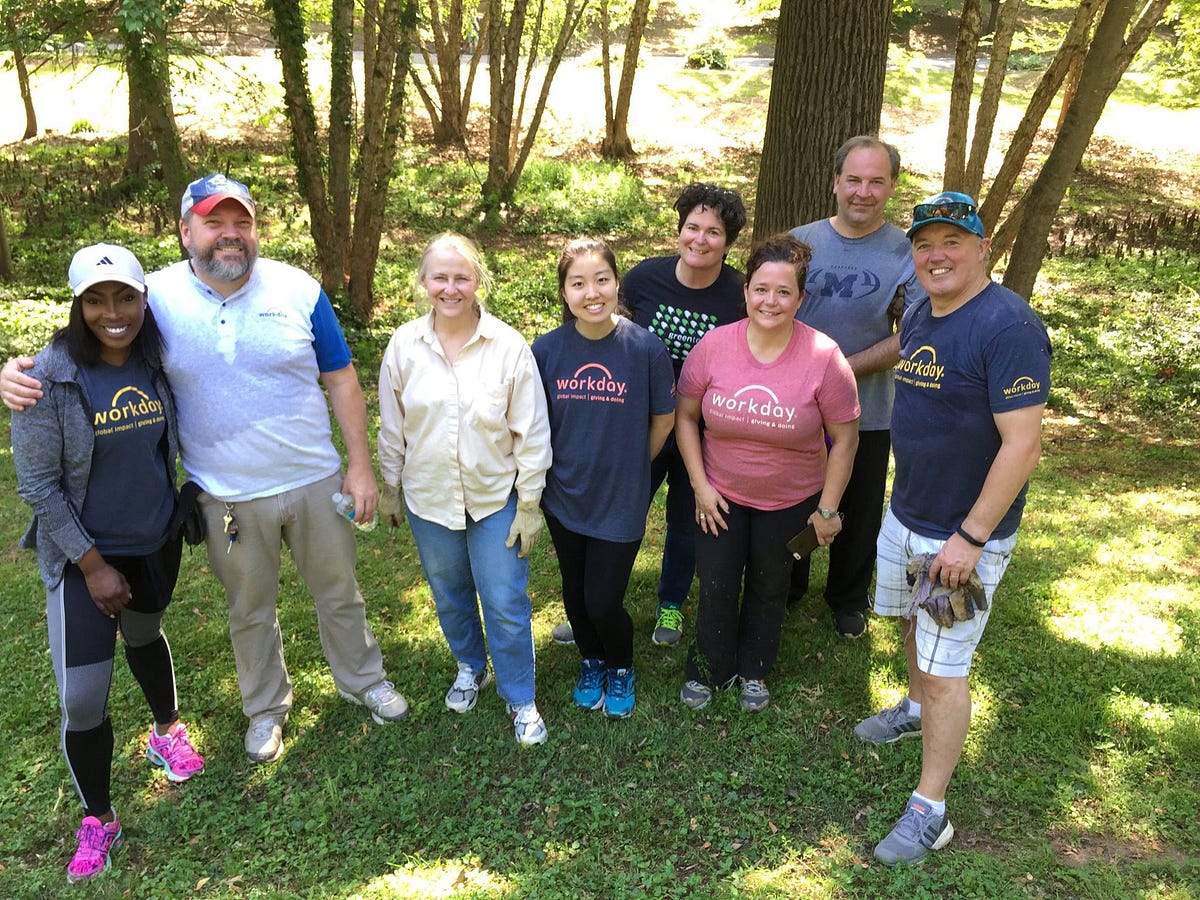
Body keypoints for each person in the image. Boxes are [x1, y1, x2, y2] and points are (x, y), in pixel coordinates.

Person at [3, 174, 409, 764]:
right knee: (250, 607)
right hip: (224, 496)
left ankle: (364, 680)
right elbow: (90, 335)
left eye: (240, 222)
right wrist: (17, 372)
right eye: (214, 223)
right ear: (185, 230)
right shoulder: (154, 297)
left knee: (339, 593)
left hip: (314, 478)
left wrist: (360, 467)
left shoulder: (298, 289)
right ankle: (265, 709)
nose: (230, 235)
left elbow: (341, 376)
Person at [856, 192, 1051, 865]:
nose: (936, 255)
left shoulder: (1007, 327)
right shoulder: (920, 312)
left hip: (960, 535)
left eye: (951, 242)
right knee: (912, 624)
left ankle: (929, 811)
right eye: (924, 244)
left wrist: (969, 538)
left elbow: (1023, 446)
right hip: (908, 511)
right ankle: (913, 710)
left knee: (947, 671)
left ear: (982, 248)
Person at [12, 244, 204, 883]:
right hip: (83, 554)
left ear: (145, 299)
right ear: (77, 305)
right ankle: (98, 817)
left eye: (125, 297)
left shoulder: (158, 357)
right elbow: (39, 486)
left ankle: (166, 731)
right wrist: (93, 565)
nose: (112, 312)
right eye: (95, 300)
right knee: (84, 696)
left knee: (147, 634)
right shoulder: (48, 376)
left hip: (154, 540)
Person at [549, 182, 747, 649]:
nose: (700, 239)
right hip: (642, 423)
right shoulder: (644, 279)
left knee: (685, 517)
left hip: (704, 429)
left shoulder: (739, 294)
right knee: (619, 508)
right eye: (692, 227)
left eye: (713, 231)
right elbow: (600, 334)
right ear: (679, 230)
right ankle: (593, 606)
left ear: (728, 241)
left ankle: (671, 603)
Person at [377, 233, 552, 745]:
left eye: (461, 277)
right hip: (428, 498)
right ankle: (471, 666)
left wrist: (531, 504)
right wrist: (389, 487)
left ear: (479, 281)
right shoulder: (403, 346)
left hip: (495, 498)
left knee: (503, 599)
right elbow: (394, 426)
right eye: (440, 277)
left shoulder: (509, 346)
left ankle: (520, 695)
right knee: (450, 595)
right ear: (423, 282)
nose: (450, 288)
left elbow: (531, 430)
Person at [675, 235, 860, 712]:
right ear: (746, 291)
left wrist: (827, 509)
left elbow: (845, 440)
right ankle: (710, 666)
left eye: (783, 292)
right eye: (761, 289)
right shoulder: (715, 346)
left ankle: (755, 668)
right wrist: (699, 485)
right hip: (720, 495)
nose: (770, 301)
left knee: (770, 584)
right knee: (715, 580)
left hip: (791, 499)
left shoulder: (825, 357)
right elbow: (686, 417)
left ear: (801, 298)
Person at [787, 136, 926, 638]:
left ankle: (846, 596)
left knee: (860, 508)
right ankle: (789, 582)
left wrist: (839, 368)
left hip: (868, 408)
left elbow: (914, 335)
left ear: (891, 187)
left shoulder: (907, 253)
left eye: (875, 181)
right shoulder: (800, 242)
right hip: (794, 407)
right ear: (835, 183)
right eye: (854, 179)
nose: (863, 192)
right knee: (795, 501)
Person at [532, 238, 675, 718]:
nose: (591, 293)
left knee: (603, 596)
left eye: (602, 280)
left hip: (620, 495)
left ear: (617, 283)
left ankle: (620, 665)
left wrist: (635, 466)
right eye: (578, 283)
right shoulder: (547, 350)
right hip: (564, 493)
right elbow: (534, 423)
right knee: (574, 589)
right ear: (564, 292)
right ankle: (591, 659)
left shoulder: (644, 347)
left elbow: (664, 418)